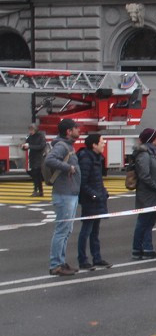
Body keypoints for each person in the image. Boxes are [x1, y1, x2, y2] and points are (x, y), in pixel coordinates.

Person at [44, 118, 82, 275]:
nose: (78, 130)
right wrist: (68, 167)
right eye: (76, 128)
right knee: (62, 230)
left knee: (66, 230)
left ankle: (61, 261)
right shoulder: (61, 146)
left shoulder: (67, 146)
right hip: (64, 194)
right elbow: (49, 160)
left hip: (69, 193)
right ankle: (56, 264)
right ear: (69, 131)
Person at [76, 133, 110, 270]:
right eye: (102, 141)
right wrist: (94, 195)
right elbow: (82, 182)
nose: (104, 143)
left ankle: (97, 258)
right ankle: (83, 260)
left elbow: (97, 180)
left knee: (95, 231)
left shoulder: (96, 158)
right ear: (94, 145)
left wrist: (103, 192)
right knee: (86, 230)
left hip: (97, 199)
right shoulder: (86, 159)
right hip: (90, 201)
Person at [131, 127, 156, 259]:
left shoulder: (150, 153)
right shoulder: (144, 154)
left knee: (149, 222)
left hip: (152, 194)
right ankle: (138, 249)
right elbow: (144, 175)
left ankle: (147, 248)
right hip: (147, 194)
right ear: (152, 139)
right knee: (144, 221)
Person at [22, 123, 47, 197]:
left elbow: (41, 146)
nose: (30, 131)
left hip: (39, 158)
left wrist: (30, 146)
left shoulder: (40, 136)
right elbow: (27, 144)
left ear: (35, 129)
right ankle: (40, 191)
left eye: (31, 130)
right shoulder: (30, 137)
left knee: (36, 175)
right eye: (29, 130)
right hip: (33, 158)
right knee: (36, 175)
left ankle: (36, 190)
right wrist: (24, 147)